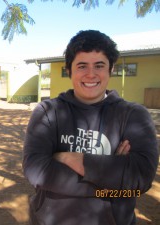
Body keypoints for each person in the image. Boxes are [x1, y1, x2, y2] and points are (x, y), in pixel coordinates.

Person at [23, 30, 159, 225]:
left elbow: (141, 178)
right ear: (69, 70)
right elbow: (35, 170)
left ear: (111, 69)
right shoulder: (47, 112)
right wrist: (113, 175)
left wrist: (68, 157)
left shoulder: (133, 115)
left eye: (99, 65)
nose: (90, 74)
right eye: (82, 66)